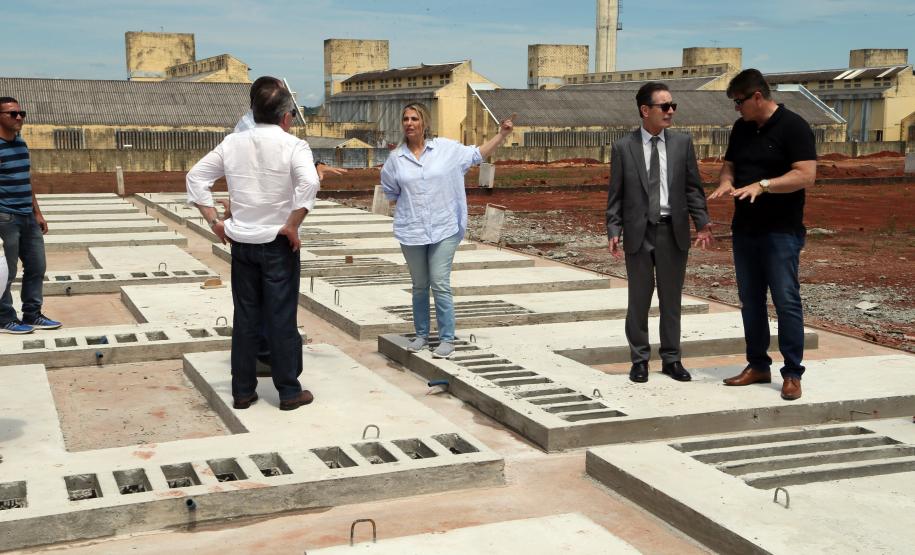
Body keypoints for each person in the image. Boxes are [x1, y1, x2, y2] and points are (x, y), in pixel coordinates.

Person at [186, 83, 319, 411]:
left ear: (253, 112)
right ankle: (288, 391)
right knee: (281, 316)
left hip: (242, 244)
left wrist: (214, 222)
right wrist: (293, 224)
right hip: (277, 243)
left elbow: (195, 178)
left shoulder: (233, 143)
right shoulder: (294, 146)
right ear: (286, 116)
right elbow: (310, 182)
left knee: (246, 317)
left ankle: (243, 391)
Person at [709, 69, 817, 401]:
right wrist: (726, 181)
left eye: (739, 102)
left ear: (757, 96)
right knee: (751, 301)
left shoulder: (794, 126)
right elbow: (730, 164)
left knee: (786, 300)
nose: (736, 108)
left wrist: (764, 185)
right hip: (745, 230)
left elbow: (806, 175)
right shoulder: (741, 128)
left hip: (780, 231)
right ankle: (757, 365)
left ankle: (792, 373)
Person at [381, 103, 513, 359]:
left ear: (424, 123)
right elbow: (391, 191)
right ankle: (421, 335)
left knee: (440, 282)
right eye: (406, 119)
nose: (409, 123)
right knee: (420, 285)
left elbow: (476, 155)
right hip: (412, 230)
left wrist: (501, 135)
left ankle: (446, 338)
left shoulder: (446, 149)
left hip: (444, 227)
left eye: (414, 119)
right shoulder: (395, 159)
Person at [606, 83, 713, 383]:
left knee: (671, 300)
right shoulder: (623, 147)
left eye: (672, 106)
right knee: (638, 301)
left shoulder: (682, 143)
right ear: (645, 110)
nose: (671, 111)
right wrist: (613, 227)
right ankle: (639, 360)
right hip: (639, 233)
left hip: (672, 231)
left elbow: (693, 188)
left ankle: (671, 359)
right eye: (664, 106)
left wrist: (701, 222)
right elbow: (616, 193)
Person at [0, 97, 61, 334]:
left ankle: (32, 314)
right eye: (12, 113)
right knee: (7, 271)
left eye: (21, 113)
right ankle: (5, 318)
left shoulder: (21, 143)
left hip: (27, 216)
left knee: (37, 267)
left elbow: (26, 180)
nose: (19, 117)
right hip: (5, 217)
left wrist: (38, 212)